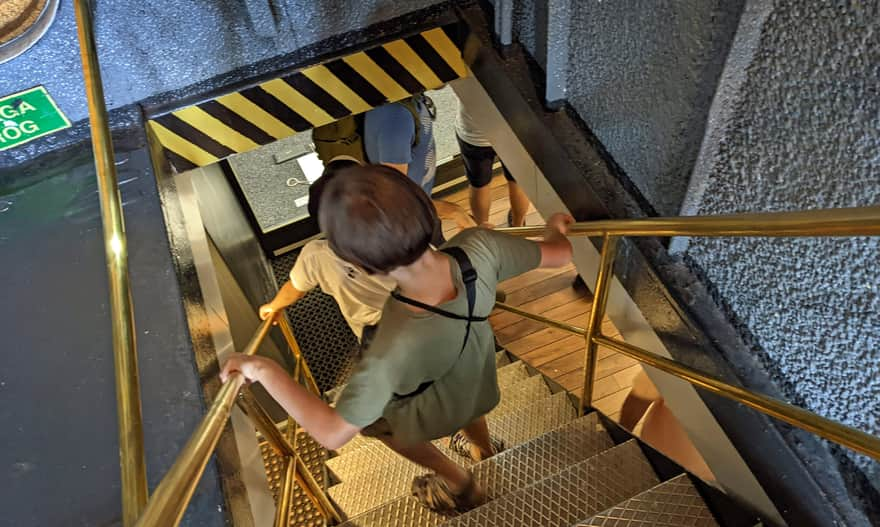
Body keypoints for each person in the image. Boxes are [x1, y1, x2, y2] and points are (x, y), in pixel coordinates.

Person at [221, 164, 574, 513]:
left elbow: (332, 433)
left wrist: (264, 369)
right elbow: (559, 256)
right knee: (462, 395)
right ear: (424, 205)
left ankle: (459, 480)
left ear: (358, 261)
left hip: (415, 384)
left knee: (377, 425)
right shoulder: (480, 247)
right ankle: (484, 449)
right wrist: (557, 228)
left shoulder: (386, 350)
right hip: (472, 372)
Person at [258, 158, 393, 349]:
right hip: (425, 318)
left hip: (378, 339)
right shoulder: (398, 232)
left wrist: (274, 306)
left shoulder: (316, 256)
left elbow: (295, 289)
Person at [365, 95, 473, 231]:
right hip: (408, 227)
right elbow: (396, 201)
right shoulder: (395, 118)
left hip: (422, 212)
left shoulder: (409, 103)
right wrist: (453, 211)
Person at [455, 99, 532, 228]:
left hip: (474, 130)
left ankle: (483, 230)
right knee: (518, 181)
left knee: (479, 184)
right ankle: (518, 227)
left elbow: (438, 85)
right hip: (514, 127)